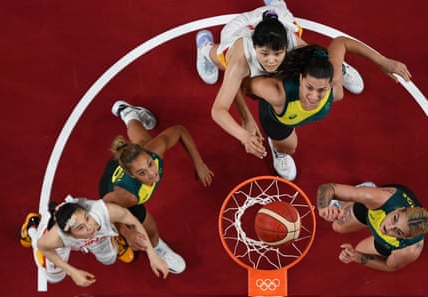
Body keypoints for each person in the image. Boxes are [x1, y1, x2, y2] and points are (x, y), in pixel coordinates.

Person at [195, 0, 363, 160]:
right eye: (265, 54)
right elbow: (218, 110)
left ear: (285, 46)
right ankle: (204, 46)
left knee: (314, 59)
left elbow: (319, 58)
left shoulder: (291, 42)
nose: (271, 61)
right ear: (254, 48)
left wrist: (334, 68)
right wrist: (244, 133)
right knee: (221, 60)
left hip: (277, 17)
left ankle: (341, 67)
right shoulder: (241, 61)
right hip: (237, 29)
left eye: (277, 54)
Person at [245, 36, 412, 180]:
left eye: (321, 90)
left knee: (338, 93)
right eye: (309, 87)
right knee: (289, 147)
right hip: (278, 117)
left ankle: (342, 66)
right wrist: (247, 119)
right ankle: (279, 150)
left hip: (326, 74)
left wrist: (383, 62)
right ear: (301, 78)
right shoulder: (277, 93)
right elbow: (243, 83)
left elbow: (341, 43)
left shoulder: (333, 82)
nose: (313, 97)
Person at [98, 100, 214, 274]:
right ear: (132, 175)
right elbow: (104, 211)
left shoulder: (153, 152)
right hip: (110, 193)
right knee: (149, 229)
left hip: (129, 159)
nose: (152, 173)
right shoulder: (128, 196)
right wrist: (126, 232)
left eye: (150, 164)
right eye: (142, 172)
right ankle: (157, 247)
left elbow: (180, 131)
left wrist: (198, 162)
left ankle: (128, 113)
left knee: (143, 140)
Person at [19, 196, 169, 287]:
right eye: (81, 227)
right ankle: (33, 226)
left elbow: (133, 221)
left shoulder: (103, 212)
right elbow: (43, 246)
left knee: (109, 258)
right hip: (60, 241)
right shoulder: (59, 237)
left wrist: (152, 254)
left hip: (95, 237)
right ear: (71, 235)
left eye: (87, 218)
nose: (90, 227)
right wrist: (73, 272)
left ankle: (113, 234)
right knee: (54, 277)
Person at [316, 181, 428, 271]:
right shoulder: (377, 198)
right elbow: (330, 188)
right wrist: (323, 207)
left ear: (406, 238)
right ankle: (364, 189)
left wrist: (358, 257)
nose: (387, 227)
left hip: (387, 238)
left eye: (397, 231)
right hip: (375, 208)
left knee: (359, 249)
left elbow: (388, 266)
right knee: (337, 226)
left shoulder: (407, 251)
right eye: (394, 219)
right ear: (398, 209)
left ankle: (359, 197)